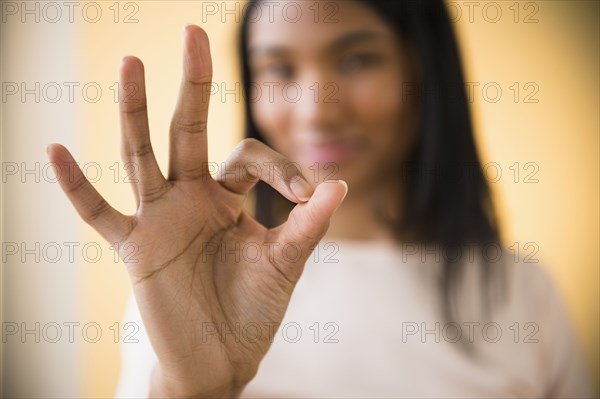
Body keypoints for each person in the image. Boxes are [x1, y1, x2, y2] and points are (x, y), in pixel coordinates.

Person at [47, 0, 595, 397]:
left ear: (424, 71)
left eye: (357, 59)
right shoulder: (191, 277)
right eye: (279, 68)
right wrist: (191, 392)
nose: (315, 110)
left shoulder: (523, 293)